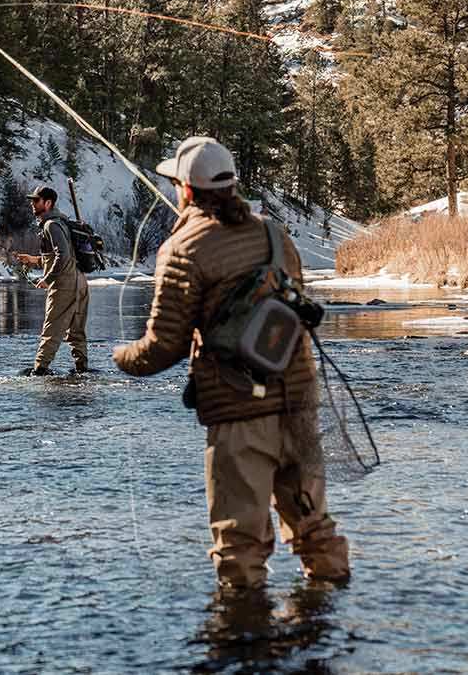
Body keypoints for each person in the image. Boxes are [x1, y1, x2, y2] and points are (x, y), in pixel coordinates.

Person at [111, 136, 349, 590]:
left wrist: (122, 357)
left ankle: (244, 647)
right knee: (315, 528)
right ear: (231, 184)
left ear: (185, 190)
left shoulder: (182, 250)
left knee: (239, 552)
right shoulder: (273, 234)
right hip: (299, 403)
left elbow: (164, 346)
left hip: (240, 414)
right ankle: (326, 639)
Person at [13, 185, 91, 375]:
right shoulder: (61, 223)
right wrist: (33, 260)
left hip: (64, 285)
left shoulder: (51, 225)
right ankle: (82, 370)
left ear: (48, 203)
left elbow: (62, 256)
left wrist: (48, 279)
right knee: (76, 332)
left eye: (36, 200)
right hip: (79, 282)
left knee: (51, 329)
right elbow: (62, 256)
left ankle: (39, 371)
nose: (33, 204)